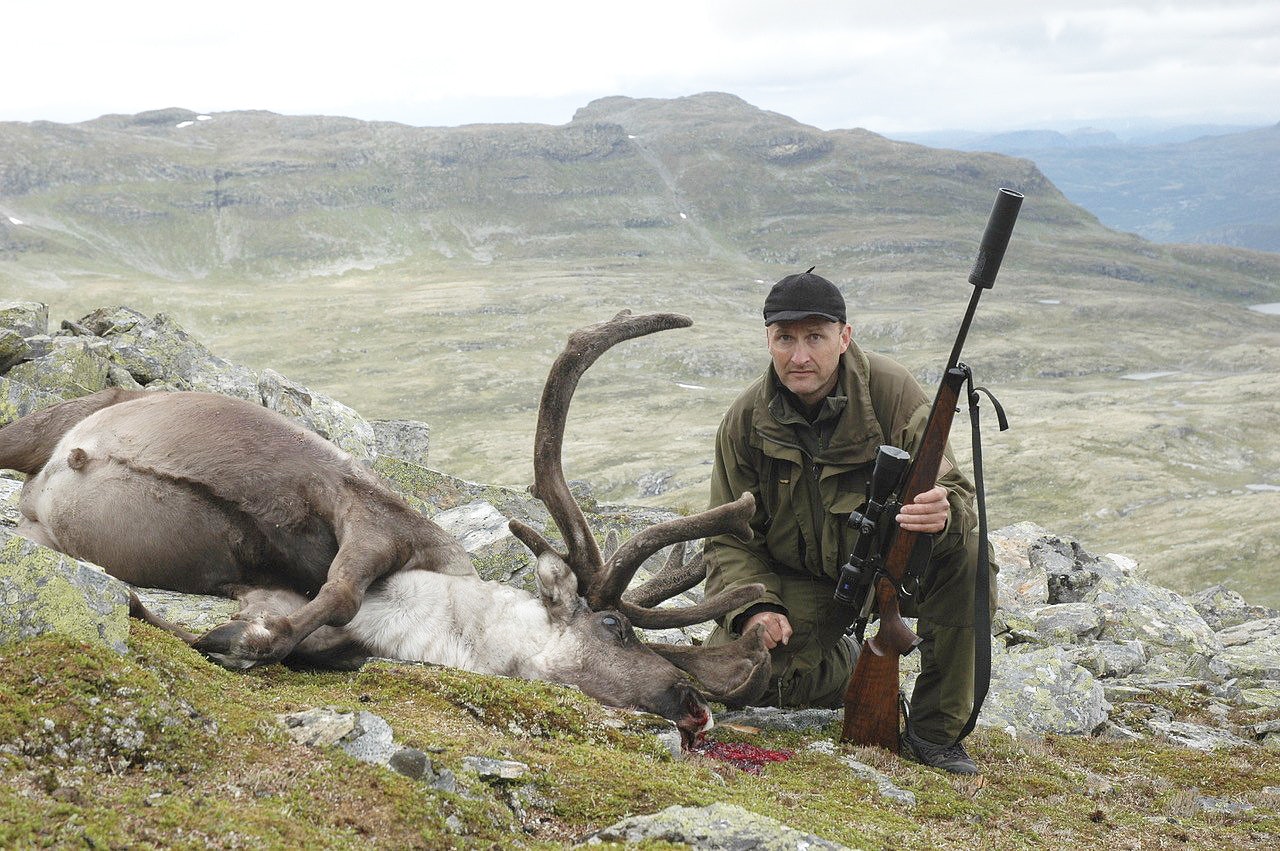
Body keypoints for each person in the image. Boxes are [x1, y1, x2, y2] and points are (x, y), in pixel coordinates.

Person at [702, 269, 992, 775]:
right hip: (806, 582)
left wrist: (943, 512)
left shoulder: (892, 393)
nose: (800, 356)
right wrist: (758, 609)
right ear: (767, 339)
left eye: (815, 337)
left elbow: (957, 494)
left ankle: (934, 735)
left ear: (844, 336)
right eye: (785, 339)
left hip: (898, 573)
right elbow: (728, 536)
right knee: (737, 680)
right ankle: (849, 664)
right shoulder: (745, 420)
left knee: (969, 556)